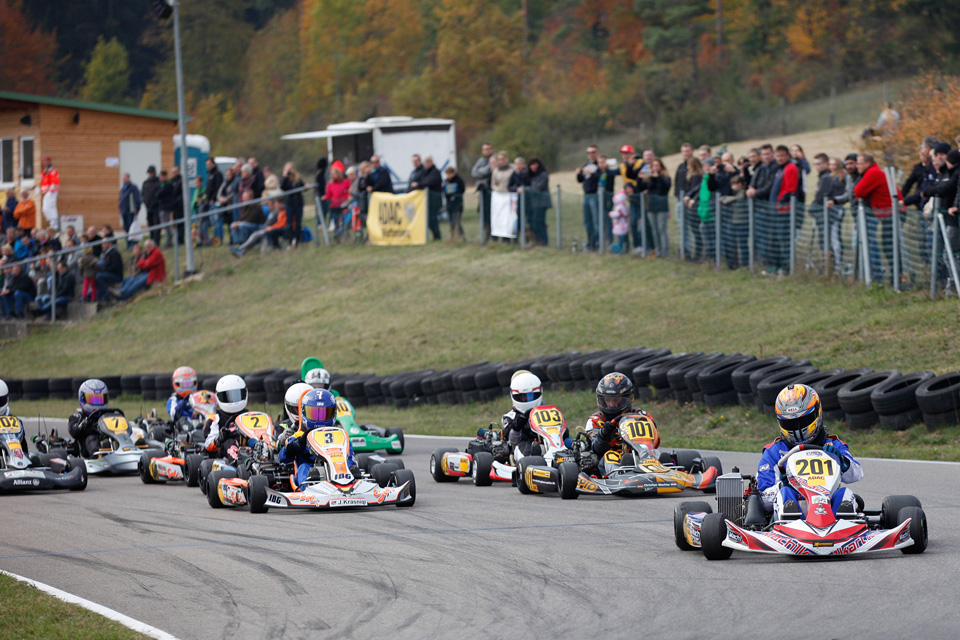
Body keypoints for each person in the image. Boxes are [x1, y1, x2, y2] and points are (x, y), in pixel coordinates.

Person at [758, 384, 862, 521]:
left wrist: (843, 462)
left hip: (828, 506)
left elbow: (856, 475)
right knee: (785, 493)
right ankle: (792, 522)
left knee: (844, 493)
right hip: (789, 524)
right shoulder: (774, 452)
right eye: (791, 424)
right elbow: (764, 500)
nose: (798, 429)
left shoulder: (833, 445)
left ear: (817, 413)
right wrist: (783, 485)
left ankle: (845, 526)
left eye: (803, 421)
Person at [279, 388, 358, 489]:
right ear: (304, 413)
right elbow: (283, 457)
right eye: (314, 414)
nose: (319, 419)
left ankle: (350, 483)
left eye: (325, 414)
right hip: (312, 472)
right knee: (304, 468)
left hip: (338, 470)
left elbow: (350, 456)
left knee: (352, 466)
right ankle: (307, 490)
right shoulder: (299, 436)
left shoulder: (340, 434)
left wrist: (350, 467)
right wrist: (297, 445)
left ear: (333, 414)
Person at [580, 372, 652, 476]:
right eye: (607, 400)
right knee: (610, 456)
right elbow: (595, 448)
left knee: (657, 455)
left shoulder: (641, 416)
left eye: (616, 400)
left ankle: (663, 469)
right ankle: (622, 476)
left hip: (640, 453)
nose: (612, 405)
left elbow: (655, 441)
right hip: (609, 457)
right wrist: (603, 434)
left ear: (628, 399)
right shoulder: (595, 420)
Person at [854, 152, 902, 284]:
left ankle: (898, 276)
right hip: (888, 211)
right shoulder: (873, 172)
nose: (857, 166)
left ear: (867, 163)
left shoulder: (873, 173)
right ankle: (896, 275)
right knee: (888, 245)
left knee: (890, 245)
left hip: (892, 211)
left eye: (859, 163)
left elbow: (858, 191)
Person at [499, 371, 544, 457]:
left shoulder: (546, 410)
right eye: (523, 397)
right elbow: (511, 441)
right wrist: (517, 425)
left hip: (549, 443)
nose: (528, 400)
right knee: (528, 448)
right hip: (525, 448)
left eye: (532, 396)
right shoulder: (510, 417)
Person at [203, 375, 249, 457]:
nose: (233, 401)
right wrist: (220, 439)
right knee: (229, 442)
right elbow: (207, 444)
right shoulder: (215, 420)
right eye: (228, 396)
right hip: (224, 457)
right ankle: (237, 460)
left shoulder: (250, 416)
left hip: (249, 449)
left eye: (237, 395)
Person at [67, 379, 112, 458]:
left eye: (100, 400)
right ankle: (98, 456)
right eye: (93, 400)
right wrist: (84, 424)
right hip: (86, 452)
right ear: (83, 399)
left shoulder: (109, 415)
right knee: (91, 437)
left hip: (110, 441)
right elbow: (74, 431)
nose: (97, 403)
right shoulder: (77, 417)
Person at [720, 175, 749, 269]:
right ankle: (734, 263)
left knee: (743, 243)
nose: (732, 186)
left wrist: (727, 199)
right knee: (733, 243)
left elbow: (739, 198)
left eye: (734, 184)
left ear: (740, 184)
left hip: (742, 222)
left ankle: (745, 263)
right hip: (734, 221)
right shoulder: (733, 192)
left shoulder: (743, 192)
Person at [576, 145, 602, 251]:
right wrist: (579, 174)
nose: (590, 154)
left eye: (593, 152)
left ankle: (598, 242)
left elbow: (601, 176)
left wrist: (592, 173)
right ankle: (590, 243)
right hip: (586, 195)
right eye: (588, 152)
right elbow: (580, 180)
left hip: (595, 194)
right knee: (587, 221)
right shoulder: (587, 164)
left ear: (597, 152)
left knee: (596, 221)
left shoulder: (599, 165)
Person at [645, 158, 671, 258]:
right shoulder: (649, 177)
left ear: (661, 167)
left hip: (662, 206)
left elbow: (665, 188)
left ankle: (665, 252)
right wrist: (645, 177)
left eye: (657, 165)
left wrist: (657, 177)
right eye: (653, 165)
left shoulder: (665, 177)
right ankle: (658, 251)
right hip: (651, 206)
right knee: (654, 230)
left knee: (662, 229)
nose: (655, 168)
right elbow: (646, 186)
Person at [682, 157, 704, 260]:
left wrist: (692, 198)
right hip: (695, 204)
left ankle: (698, 255)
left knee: (696, 232)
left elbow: (696, 190)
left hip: (694, 206)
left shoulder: (695, 177)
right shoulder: (699, 176)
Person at [471, 142, 494, 240]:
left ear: (492, 149)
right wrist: (483, 172)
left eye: (488, 149)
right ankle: (486, 235)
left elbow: (489, 170)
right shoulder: (481, 160)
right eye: (485, 149)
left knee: (492, 215)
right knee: (483, 214)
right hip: (482, 191)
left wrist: (481, 172)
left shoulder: (494, 159)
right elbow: (473, 172)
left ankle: (493, 236)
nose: (487, 151)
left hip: (491, 191)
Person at [526, 158, 550, 246]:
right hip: (535, 203)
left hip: (541, 202)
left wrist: (526, 189)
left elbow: (537, 188)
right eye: (531, 165)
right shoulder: (533, 176)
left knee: (539, 223)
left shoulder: (543, 175)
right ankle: (539, 241)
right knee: (535, 223)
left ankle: (544, 242)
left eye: (535, 164)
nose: (533, 166)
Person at [419, 156, 443, 241]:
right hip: (428, 201)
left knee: (433, 219)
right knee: (429, 220)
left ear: (431, 162)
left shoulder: (435, 172)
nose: (425, 164)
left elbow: (429, 182)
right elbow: (422, 181)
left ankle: (437, 236)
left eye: (427, 162)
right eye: (424, 162)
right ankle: (435, 236)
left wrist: (420, 184)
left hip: (434, 200)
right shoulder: (426, 172)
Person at [280, 162, 304, 247]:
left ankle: (297, 241)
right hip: (289, 203)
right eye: (288, 169)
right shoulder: (285, 178)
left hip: (298, 203)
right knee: (289, 224)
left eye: (291, 169)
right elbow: (282, 187)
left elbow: (302, 186)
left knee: (298, 223)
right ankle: (290, 241)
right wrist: (285, 177)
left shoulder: (297, 177)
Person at [323, 164, 351, 236]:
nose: (334, 175)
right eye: (332, 174)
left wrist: (348, 199)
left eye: (335, 173)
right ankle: (337, 235)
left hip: (344, 205)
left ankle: (345, 234)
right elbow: (329, 195)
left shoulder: (345, 182)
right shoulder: (330, 184)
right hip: (334, 206)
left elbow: (349, 191)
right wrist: (325, 197)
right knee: (335, 220)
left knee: (344, 220)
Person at [95, 235, 123, 302]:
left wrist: (103, 269)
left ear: (110, 243)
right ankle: (97, 295)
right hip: (110, 273)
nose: (102, 245)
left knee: (99, 276)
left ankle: (106, 297)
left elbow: (114, 267)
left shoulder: (114, 253)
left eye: (104, 243)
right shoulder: (107, 254)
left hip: (116, 275)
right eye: (102, 244)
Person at [119, 173, 142, 248]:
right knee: (126, 228)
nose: (124, 179)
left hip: (130, 211)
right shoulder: (123, 188)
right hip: (124, 211)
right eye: (123, 178)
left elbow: (137, 198)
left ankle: (133, 243)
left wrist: (137, 208)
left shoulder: (133, 187)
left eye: (125, 178)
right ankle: (128, 244)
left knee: (131, 228)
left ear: (128, 178)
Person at [443, 166, 466, 241]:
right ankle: (453, 237)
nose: (449, 175)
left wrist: (455, 193)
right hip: (450, 204)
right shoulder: (446, 181)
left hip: (457, 204)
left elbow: (462, 189)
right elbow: (444, 190)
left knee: (457, 222)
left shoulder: (458, 180)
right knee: (451, 222)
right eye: (447, 174)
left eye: (450, 173)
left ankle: (462, 237)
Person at [142, 166, 162, 244]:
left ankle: (156, 240)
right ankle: (152, 239)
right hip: (148, 207)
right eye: (149, 172)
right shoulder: (146, 183)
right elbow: (142, 194)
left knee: (156, 224)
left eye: (151, 172)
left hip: (156, 208)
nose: (150, 174)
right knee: (150, 224)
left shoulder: (158, 182)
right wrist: (145, 202)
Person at [610, 183, 632, 254]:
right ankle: (626, 249)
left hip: (621, 227)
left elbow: (617, 214)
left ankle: (620, 250)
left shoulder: (620, 207)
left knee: (621, 240)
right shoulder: (623, 206)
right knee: (625, 239)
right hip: (622, 226)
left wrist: (611, 214)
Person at [40, 156, 60, 231]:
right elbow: (41, 179)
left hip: (52, 191)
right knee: (45, 209)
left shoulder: (53, 170)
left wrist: (51, 190)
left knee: (51, 207)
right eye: (44, 162)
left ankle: (54, 225)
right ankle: (51, 222)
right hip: (46, 192)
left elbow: (55, 180)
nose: (45, 163)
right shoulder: (45, 171)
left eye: (46, 161)